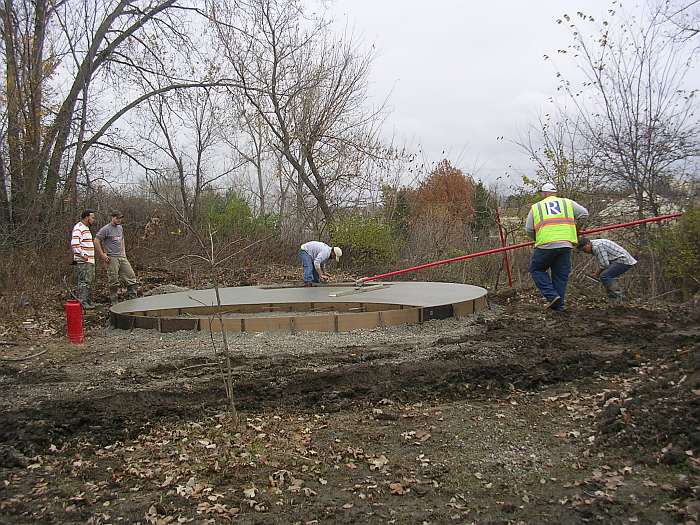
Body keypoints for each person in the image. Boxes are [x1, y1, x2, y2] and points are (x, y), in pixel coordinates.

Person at [525, 183, 589, 311]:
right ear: (555, 193)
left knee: (537, 270)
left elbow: (528, 229)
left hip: (545, 245)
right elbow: (584, 214)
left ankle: (552, 296)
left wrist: (537, 238)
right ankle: (559, 306)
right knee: (560, 275)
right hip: (565, 244)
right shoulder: (567, 203)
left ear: (543, 194)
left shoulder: (536, 207)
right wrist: (576, 230)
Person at [94, 211, 138, 304]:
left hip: (121, 257)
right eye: (117, 218)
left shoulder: (120, 228)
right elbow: (96, 240)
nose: (119, 220)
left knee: (131, 276)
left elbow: (122, 240)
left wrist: (124, 252)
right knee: (113, 280)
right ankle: (114, 302)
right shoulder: (106, 229)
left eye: (120, 218)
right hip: (112, 257)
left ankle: (133, 300)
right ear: (112, 218)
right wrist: (102, 254)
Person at [577, 236, 637, 301]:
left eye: (584, 249)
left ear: (588, 243)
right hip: (618, 260)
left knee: (605, 276)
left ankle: (619, 297)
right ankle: (613, 298)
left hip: (623, 260)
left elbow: (604, 264)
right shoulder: (595, 244)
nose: (584, 252)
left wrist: (596, 274)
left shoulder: (597, 247)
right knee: (606, 276)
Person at [70, 210, 97, 310]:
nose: (93, 220)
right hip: (83, 261)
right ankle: (83, 302)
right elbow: (74, 244)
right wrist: (83, 255)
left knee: (89, 281)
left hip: (89, 261)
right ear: (86, 217)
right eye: (92, 217)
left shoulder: (86, 228)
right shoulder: (79, 227)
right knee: (84, 281)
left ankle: (88, 301)